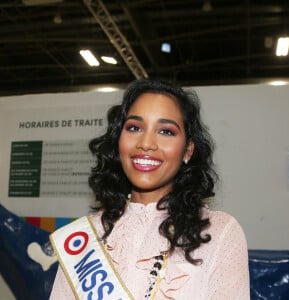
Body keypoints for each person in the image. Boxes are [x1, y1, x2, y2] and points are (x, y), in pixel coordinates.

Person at [50, 79, 250, 299]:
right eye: (134, 128)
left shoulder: (219, 232)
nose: (146, 143)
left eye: (166, 131)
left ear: (187, 150)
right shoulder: (83, 238)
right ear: (119, 142)